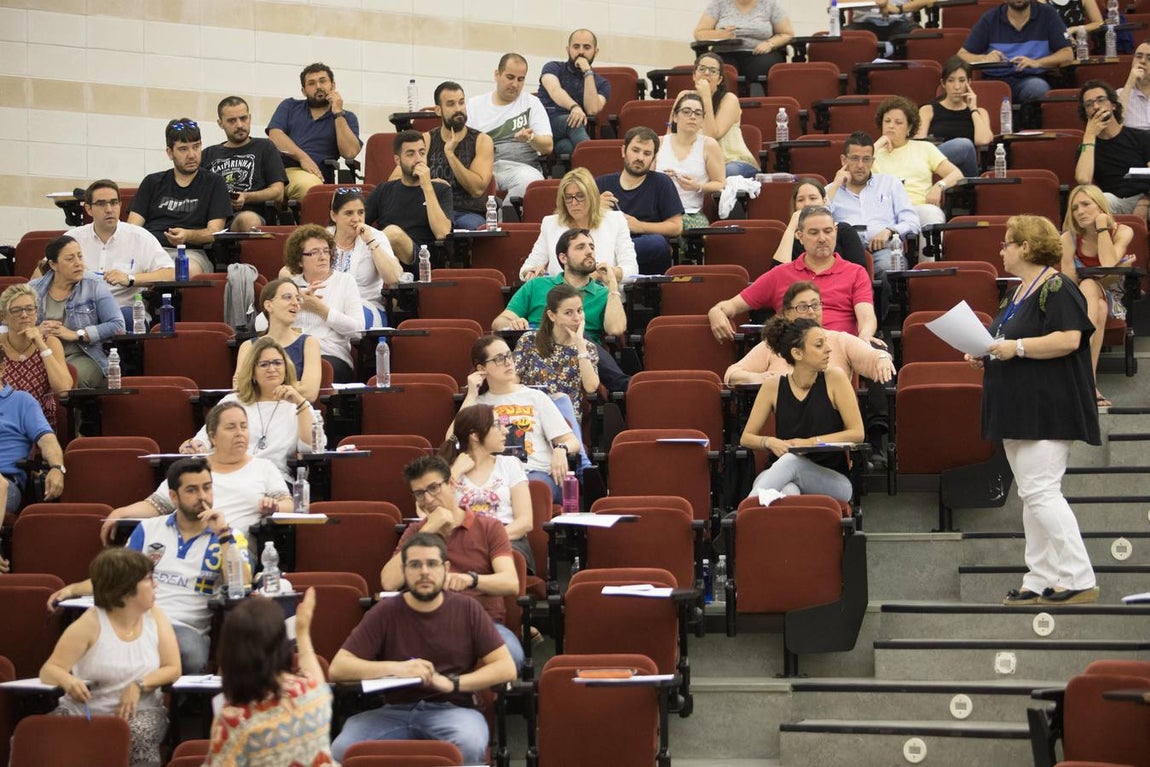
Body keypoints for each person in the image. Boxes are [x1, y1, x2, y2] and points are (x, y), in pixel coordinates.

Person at [965, 214, 1100, 605]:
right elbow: (1003, 342)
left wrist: (1017, 348)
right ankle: (1040, 577)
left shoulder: (1057, 286)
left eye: (1007, 242)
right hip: (1017, 407)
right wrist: (985, 354)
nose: (1002, 249)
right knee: (1032, 494)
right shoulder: (1016, 292)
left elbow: (1071, 338)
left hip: (1048, 405)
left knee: (1040, 492)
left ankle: (1078, 576)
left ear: (1026, 247)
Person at [50, 458, 250, 676]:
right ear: (174, 496)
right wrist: (72, 589)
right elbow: (117, 577)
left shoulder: (230, 535)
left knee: (190, 655)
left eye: (207, 488)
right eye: (192, 490)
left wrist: (223, 535)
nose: (202, 497)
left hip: (185, 628)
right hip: (138, 619)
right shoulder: (148, 529)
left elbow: (242, 583)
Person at [329, 532, 517, 763]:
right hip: (392, 711)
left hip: (451, 710)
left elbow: (506, 667)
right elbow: (338, 668)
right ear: (405, 571)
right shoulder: (385, 612)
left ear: (446, 568)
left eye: (432, 564)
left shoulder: (467, 609)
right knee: (342, 749)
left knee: (468, 743)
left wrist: (452, 683)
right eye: (415, 565)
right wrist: (398, 669)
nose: (424, 572)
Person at [40, 548, 180, 767]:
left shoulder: (156, 616)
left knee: (138, 736)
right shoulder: (90, 622)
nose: (156, 585)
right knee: (37, 737)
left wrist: (139, 684)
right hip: (85, 711)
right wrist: (68, 680)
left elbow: (173, 668)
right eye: (148, 580)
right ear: (126, 589)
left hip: (141, 710)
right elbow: (49, 670)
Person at [382, 455, 523, 665]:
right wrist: (428, 529)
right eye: (420, 494)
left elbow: (510, 583)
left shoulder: (489, 528)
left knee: (511, 656)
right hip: (426, 622)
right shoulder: (416, 531)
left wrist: (471, 580)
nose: (428, 499)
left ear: (451, 484)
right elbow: (389, 582)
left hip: (482, 623)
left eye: (433, 488)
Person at [100, 403, 293, 543]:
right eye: (231, 427)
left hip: (228, 545)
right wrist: (121, 511)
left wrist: (275, 507)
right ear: (212, 436)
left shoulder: (263, 467)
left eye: (243, 426)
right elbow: (158, 505)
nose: (240, 433)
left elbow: (289, 505)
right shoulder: (192, 466)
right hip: (180, 540)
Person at [708, 205, 878, 343]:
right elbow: (732, 305)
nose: (822, 238)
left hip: (836, 349)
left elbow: (866, 317)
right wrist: (716, 311)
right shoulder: (780, 274)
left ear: (835, 232)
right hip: (789, 352)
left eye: (828, 231)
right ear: (800, 236)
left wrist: (864, 337)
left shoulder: (855, 272)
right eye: (813, 232)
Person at [739, 316, 864, 501]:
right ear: (797, 354)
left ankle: (743, 517)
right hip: (781, 471)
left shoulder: (835, 379)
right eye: (819, 345)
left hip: (834, 480)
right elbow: (746, 437)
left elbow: (857, 433)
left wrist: (811, 442)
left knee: (790, 463)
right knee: (789, 490)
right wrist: (769, 442)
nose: (828, 349)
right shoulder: (772, 386)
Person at [208, 589, 335, 766]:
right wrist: (302, 632)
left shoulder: (234, 720)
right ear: (283, 646)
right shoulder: (313, 694)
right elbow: (318, 682)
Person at [494, 228, 630, 392]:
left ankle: (624, 386)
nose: (589, 252)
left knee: (574, 329)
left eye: (591, 247)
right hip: (534, 352)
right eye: (580, 247)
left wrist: (612, 285)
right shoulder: (537, 285)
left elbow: (615, 329)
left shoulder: (602, 294)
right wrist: (514, 322)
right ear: (563, 257)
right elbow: (498, 323)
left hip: (576, 357)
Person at [461, 336, 583, 501]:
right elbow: (453, 440)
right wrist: (471, 395)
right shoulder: (479, 404)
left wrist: (561, 449)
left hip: (535, 473)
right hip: (495, 475)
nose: (508, 362)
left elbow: (572, 441)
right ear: (482, 368)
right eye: (498, 359)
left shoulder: (535, 397)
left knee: (527, 490)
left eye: (508, 355)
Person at [182, 338, 320, 479]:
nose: (272, 369)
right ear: (252, 372)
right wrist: (194, 445)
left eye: (277, 363)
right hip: (229, 476)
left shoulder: (299, 405)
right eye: (264, 364)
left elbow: (310, 448)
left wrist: (301, 403)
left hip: (273, 478)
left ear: (286, 368)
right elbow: (203, 439)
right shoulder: (232, 401)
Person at [726, 281, 896, 386]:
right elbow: (732, 374)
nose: (811, 312)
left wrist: (882, 358)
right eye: (802, 307)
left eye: (815, 305)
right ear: (787, 313)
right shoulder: (772, 344)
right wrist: (756, 377)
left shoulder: (839, 340)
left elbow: (874, 356)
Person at [1060, 184, 1135, 407]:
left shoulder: (1122, 231)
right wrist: (1102, 277)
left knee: (1092, 286)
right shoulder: (1068, 239)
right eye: (1074, 208)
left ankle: (1080, 377)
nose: (1080, 212)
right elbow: (1069, 283)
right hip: (1077, 300)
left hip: (1111, 297)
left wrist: (1102, 229)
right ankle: (1089, 384)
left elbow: (1108, 265)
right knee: (1094, 299)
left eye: (1086, 204)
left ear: (1100, 206)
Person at [128, 118, 231, 275]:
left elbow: (214, 233)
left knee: (185, 269)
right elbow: (132, 229)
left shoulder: (214, 183)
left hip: (190, 253)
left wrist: (188, 235)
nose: (192, 155)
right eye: (183, 149)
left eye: (196, 147)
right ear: (170, 153)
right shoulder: (152, 182)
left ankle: (145, 279)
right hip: (150, 252)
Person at [64, 179, 174, 325]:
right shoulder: (73, 238)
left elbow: (170, 273)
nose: (109, 209)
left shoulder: (140, 237)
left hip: (125, 312)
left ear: (120, 205)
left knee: (126, 317)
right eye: (101, 204)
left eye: (114, 202)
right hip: (82, 313)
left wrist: (130, 278)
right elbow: (42, 273)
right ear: (88, 209)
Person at [440, 404, 535, 571]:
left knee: (487, 558)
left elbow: (525, 522)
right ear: (475, 435)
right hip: (460, 538)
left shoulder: (511, 464)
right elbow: (434, 514)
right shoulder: (448, 471)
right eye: (498, 425)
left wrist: (486, 541)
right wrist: (454, 472)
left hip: (507, 539)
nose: (506, 431)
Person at [30, 235, 125, 389]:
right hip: (41, 357)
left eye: (80, 256)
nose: (78, 263)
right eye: (70, 259)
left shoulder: (94, 285)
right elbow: (7, 327)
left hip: (83, 356)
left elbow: (118, 325)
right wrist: (36, 331)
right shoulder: (33, 289)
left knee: (70, 377)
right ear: (53, 264)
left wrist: (78, 334)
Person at [277, 224, 365, 383]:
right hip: (291, 352)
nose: (323, 256)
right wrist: (292, 301)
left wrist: (321, 310)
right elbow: (261, 325)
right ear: (299, 260)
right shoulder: (290, 284)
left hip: (330, 354)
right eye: (314, 252)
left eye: (326, 251)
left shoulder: (344, 281)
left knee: (305, 369)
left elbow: (358, 330)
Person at [825, 131, 921, 277]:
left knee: (889, 267)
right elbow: (816, 220)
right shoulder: (830, 190)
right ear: (843, 160)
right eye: (855, 158)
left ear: (873, 161)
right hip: (842, 252)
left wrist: (890, 230)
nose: (860, 165)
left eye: (866, 159)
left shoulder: (890, 183)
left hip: (884, 249)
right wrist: (836, 185)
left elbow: (912, 222)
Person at [518, 168, 638, 282]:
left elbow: (632, 272)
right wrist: (532, 272)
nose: (574, 203)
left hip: (603, 296)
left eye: (580, 196)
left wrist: (603, 273)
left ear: (592, 197)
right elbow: (526, 269)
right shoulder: (550, 224)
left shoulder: (615, 221)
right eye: (568, 197)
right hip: (560, 298)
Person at [596, 126, 685, 275]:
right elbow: (571, 220)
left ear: (654, 158)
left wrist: (639, 226)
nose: (640, 158)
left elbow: (676, 227)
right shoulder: (601, 184)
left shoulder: (661, 183)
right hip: (608, 243)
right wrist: (594, 208)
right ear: (623, 151)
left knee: (656, 243)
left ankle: (610, 267)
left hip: (644, 247)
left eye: (647, 153)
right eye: (635, 150)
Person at [267, 62, 362, 200]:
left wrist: (338, 113)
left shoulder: (347, 117)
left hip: (315, 177)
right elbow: (275, 135)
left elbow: (349, 153)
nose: (318, 86)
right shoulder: (290, 106)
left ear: (333, 85)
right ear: (304, 91)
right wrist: (303, 158)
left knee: (313, 189)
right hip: (282, 171)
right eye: (311, 83)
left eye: (323, 81)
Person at [468, 53, 554, 199]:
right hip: (485, 168)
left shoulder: (532, 103)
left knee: (530, 182)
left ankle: (504, 220)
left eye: (521, 79)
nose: (515, 84)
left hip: (522, 169)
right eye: (510, 77)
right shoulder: (475, 105)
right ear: (497, 74)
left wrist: (530, 138)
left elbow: (548, 147)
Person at [365, 130, 453, 271]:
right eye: (410, 154)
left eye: (422, 153)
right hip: (385, 258)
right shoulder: (383, 190)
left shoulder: (441, 190)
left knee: (394, 233)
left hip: (422, 261)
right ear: (397, 160)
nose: (418, 159)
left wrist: (427, 187)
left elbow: (442, 233)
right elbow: (360, 223)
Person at [872, 96, 964, 228]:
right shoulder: (872, 153)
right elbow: (850, 173)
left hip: (917, 208)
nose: (891, 126)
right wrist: (879, 143)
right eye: (887, 121)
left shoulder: (924, 148)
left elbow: (957, 174)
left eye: (898, 122)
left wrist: (939, 186)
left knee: (932, 213)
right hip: (882, 211)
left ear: (909, 128)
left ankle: (930, 250)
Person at [957, 0, 1073, 103]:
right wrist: (984, 59)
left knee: (1037, 88)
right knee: (982, 93)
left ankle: (1030, 127)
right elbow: (961, 55)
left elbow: (1067, 54)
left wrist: (1037, 63)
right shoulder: (990, 18)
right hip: (995, 80)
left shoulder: (1047, 14)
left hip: (1032, 78)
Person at [202, 96, 289, 233]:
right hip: (213, 218)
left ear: (250, 118)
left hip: (251, 215)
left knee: (247, 220)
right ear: (220, 123)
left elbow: (278, 192)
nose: (240, 125)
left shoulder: (265, 147)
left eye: (243, 118)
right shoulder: (207, 154)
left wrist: (246, 197)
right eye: (232, 121)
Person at [513, 283, 600, 418]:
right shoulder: (529, 340)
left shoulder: (587, 348)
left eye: (580, 310)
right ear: (552, 315)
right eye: (568, 313)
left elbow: (591, 387)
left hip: (565, 419)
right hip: (530, 416)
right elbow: (511, 381)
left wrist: (580, 345)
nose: (577, 318)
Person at [417, 80, 495, 230]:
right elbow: (396, 179)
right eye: (451, 104)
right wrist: (430, 182)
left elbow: (477, 189)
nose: (458, 109)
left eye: (461, 103)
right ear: (438, 110)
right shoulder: (426, 140)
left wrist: (450, 154)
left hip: (467, 213)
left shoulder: (482, 141)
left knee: (470, 226)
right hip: (433, 210)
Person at [1074, 79, 1150, 220]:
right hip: (1115, 202)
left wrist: (1145, 202)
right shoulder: (1086, 148)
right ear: (1085, 113)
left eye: (1101, 100)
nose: (1096, 106)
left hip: (1146, 198)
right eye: (1089, 104)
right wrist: (1089, 136)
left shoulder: (1141, 137)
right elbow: (1083, 180)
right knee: (1098, 202)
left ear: (1113, 105)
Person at [326, 187, 402, 328]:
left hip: (365, 306)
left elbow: (394, 278)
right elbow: (289, 271)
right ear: (333, 215)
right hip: (328, 304)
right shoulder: (322, 238)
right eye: (348, 213)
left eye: (360, 212)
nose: (356, 219)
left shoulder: (376, 236)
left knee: (337, 317)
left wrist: (370, 242)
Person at [236, 278, 321, 402]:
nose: (295, 303)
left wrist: (263, 385)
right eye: (287, 297)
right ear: (269, 305)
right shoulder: (248, 346)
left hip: (296, 413)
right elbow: (240, 388)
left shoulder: (309, 343)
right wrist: (295, 385)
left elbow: (310, 392)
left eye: (297, 298)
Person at [0, 353, 65, 516]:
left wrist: (57, 467)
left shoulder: (22, 401)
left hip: (6, 481)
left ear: (2, 369)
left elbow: (47, 440)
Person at [0, 284, 70, 431]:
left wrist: (41, 346)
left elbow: (64, 390)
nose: (24, 315)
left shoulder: (50, 342)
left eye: (29, 309)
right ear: (4, 316)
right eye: (16, 310)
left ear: (37, 313)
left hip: (40, 427)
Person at [916, 57, 994, 179]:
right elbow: (919, 144)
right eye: (951, 81)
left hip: (967, 171)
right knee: (962, 145)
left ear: (969, 83)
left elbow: (983, 141)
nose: (956, 87)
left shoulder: (980, 112)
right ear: (943, 83)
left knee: (965, 146)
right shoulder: (928, 110)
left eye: (962, 81)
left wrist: (973, 108)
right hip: (935, 167)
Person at [658, 91, 726, 229]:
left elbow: (720, 184)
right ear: (675, 117)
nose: (692, 117)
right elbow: (644, 178)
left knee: (681, 226)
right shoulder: (659, 142)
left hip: (690, 213)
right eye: (687, 111)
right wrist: (661, 179)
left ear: (702, 121)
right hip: (658, 211)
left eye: (698, 113)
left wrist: (698, 186)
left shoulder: (709, 145)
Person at [538, 29, 611, 156]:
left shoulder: (602, 83)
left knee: (567, 147)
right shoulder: (552, 67)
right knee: (574, 122)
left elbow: (592, 110)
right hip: (546, 125)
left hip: (569, 136)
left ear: (596, 51)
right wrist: (575, 107)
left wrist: (588, 72)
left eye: (587, 47)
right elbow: (555, 91)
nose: (581, 52)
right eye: (576, 47)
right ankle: (596, 161)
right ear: (568, 49)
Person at [770, 177, 867, 269]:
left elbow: (860, 271)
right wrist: (791, 228)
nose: (807, 204)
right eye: (800, 200)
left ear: (824, 201)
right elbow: (777, 275)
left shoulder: (844, 231)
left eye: (813, 198)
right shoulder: (790, 236)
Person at [691, 51, 761, 177]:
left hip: (733, 162)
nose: (706, 73)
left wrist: (706, 96)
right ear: (694, 75)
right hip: (699, 163)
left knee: (726, 172)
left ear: (719, 79)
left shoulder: (729, 99)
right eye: (702, 69)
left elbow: (711, 136)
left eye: (713, 71)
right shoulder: (685, 98)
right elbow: (672, 134)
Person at [693, 0, 794, 86]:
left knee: (762, 68)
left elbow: (787, 33)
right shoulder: (719, 3)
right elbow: (699, 33)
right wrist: (721, 34)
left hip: (759, 53)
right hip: (725, 53)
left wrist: (770, 43)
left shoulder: (769, 4)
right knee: (721, 70)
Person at [847, 0, 936, 46]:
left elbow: (929, 1)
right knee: (844, 38)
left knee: (920, 36)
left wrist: (898, 9)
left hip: (900, 23)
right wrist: (875, 2)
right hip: (863, 24)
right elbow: (835, 1)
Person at [1118, 41, 1150, 130]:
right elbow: (1116, 124)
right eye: (1139, 57)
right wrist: (1130, 82)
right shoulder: (1120, 94)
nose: (1142, 61)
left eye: (1149, 58)